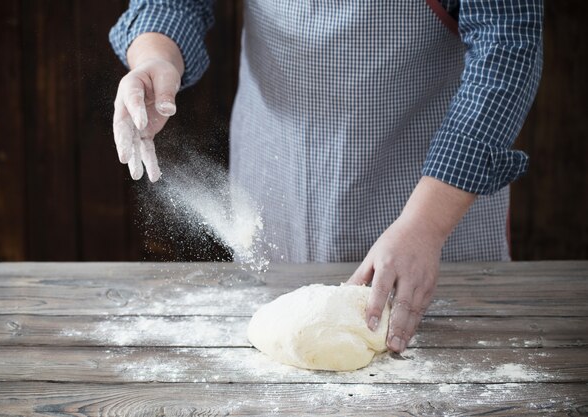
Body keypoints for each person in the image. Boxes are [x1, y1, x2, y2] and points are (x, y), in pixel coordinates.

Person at [109, 1, 543, 353]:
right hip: (276, 176)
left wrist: (427, 223)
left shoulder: (429, 216)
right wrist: (154, 56)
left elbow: (507, 42)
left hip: (426, 193)